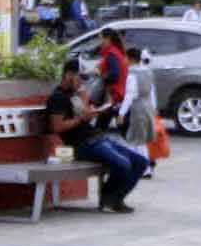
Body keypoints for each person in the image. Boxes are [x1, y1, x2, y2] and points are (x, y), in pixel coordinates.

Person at [46, 57, 148, 214]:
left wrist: (91, 108)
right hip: (82, 145)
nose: (83, 82)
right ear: (68, 75)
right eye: (81, 77)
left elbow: (83, 114)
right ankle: (108, 198)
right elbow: (57, 126)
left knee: (141, 162)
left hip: (97, 138)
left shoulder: (76, 93)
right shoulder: (57, 98)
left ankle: (115, 198)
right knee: (124, 164)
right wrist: (82, 118)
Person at [120, 46, 158, 176]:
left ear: (130, 59)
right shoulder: (148, 71)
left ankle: (141, 168)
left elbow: (130, 95)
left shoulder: (132, 74)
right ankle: (143, 167)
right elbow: (152, 91)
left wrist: (121, 112)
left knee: (134, 139)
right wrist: (154, 108)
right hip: (147, 106)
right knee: (141, 139)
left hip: (137, 107)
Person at [99, 28, 130, 110]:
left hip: (115, 94)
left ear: (108, 39)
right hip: (119, 93)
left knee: (103, 120)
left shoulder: (111, 54)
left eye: (101, 39)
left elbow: (114, 74)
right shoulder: (117, 51)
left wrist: (100, 75)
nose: (100, 42)